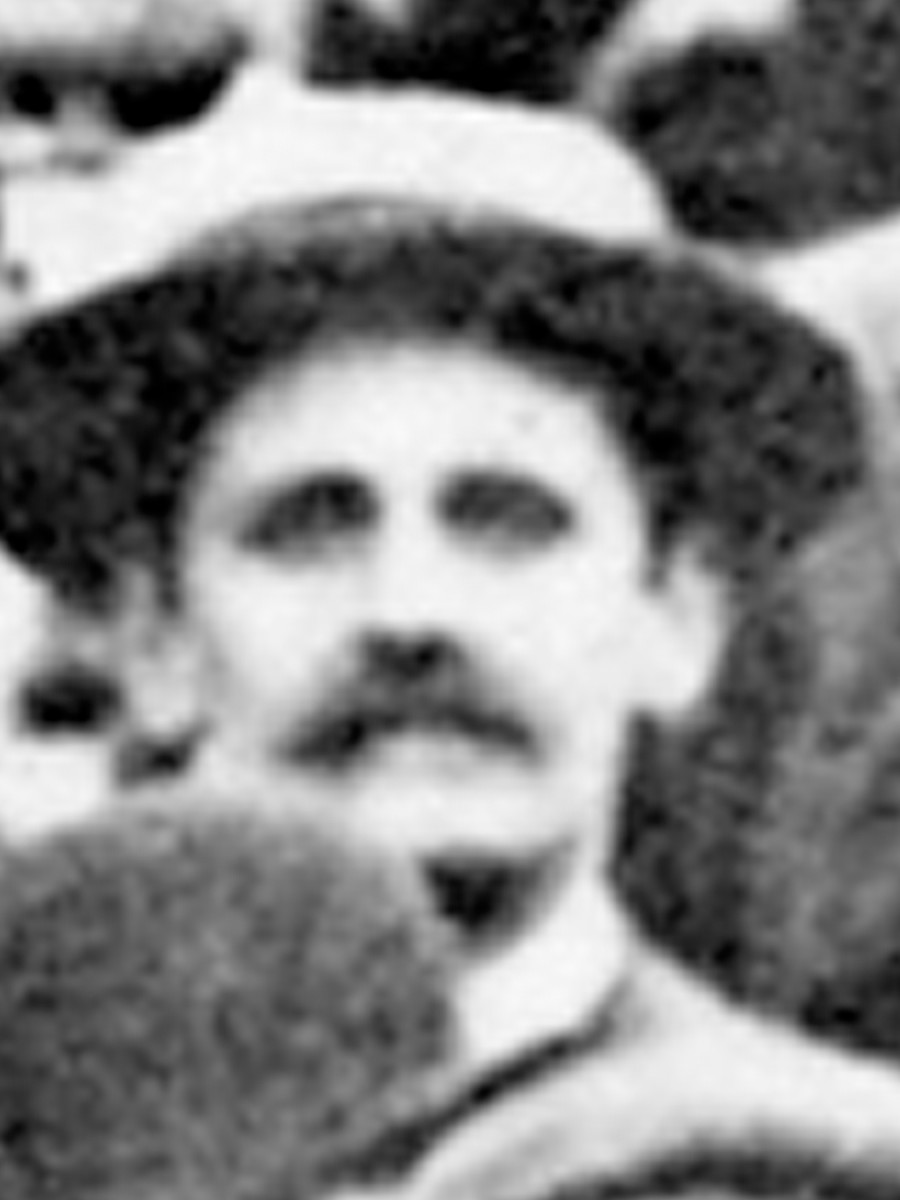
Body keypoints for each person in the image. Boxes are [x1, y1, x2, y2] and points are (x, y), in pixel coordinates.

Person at [1, 94, 900, 1198]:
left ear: (676, 619)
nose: (408, 611)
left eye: (509, 524)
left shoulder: (819, 1166)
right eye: (306, 528)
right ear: (156, 638)